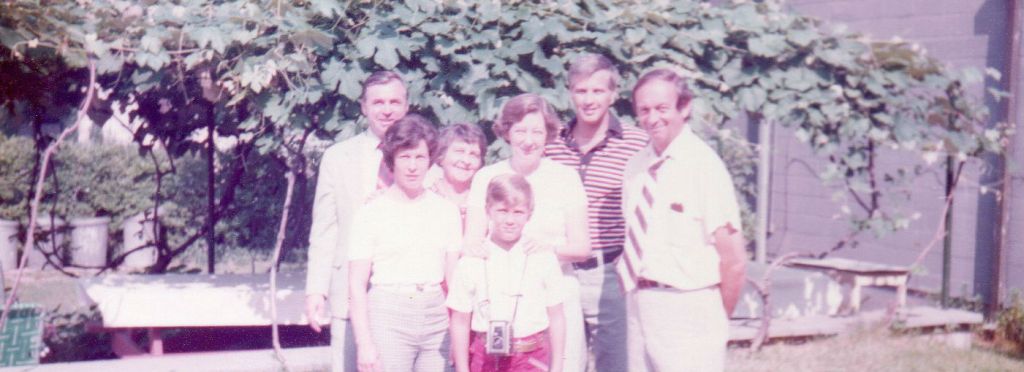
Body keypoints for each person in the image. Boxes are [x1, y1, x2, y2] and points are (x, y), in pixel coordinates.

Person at [620, 68, 747, 372]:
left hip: (688, 307)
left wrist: (714, 318)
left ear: (684, 107)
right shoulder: (636, 167)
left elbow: (734, 260)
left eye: (662, 108)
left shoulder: (704, 167)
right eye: (644, 110)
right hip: (639, 303)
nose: (653, 118)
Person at [464, 93, 591, 372]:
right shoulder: (486, 176)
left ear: (548, 134)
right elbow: (472, 241)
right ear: (507, 132)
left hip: (556, 295)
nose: (528, 140)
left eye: (537, 131)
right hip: (502, 302)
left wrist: (548, 248)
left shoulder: (566, 178)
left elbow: (582, 248)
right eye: (520, 130)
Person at [544, 53, 647, 372]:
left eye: (598, 91)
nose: (589, 100)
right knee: (563, 363)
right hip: (562, 272)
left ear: (614, 94)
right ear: (570, 92)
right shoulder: (552, 143)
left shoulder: (636, 143)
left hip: (610, 272)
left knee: (614, 364)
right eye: (581, 91)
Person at [305, 71, 409, 372]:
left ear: (406, 106)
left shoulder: (424, 157)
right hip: (350, 292)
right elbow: (325, 229)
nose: (386, 109)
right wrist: (316, 290)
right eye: (378, 102)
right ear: (364, 106)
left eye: (394, 101)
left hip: (406, 294)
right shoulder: (338, 158)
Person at [348, 114, 462, 372]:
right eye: (405, 157)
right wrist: (364, 343)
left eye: (420, 157)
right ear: (391, 161)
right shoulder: (370, 212)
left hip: (436, 315)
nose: (413, 166)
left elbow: (454, 280)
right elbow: (356, 285)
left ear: (430, 161)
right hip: (388, 313)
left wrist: (457, 332)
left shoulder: (446, 211)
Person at [447, 174, 567, 372]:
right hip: (484, 357)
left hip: (532, 357)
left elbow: (556, 316)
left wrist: (557, 367)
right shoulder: (472, 259)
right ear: (488, 211)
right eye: (502, 211)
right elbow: (460, 321)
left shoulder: (542, 257)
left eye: (518, 212)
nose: (510, 220)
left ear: (530, 213)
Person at [428, 123, 488, 225]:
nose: (466, 161)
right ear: (441, 156)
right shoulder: (425, 197)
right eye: (459, 151)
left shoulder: (484, 200)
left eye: (473, 154)